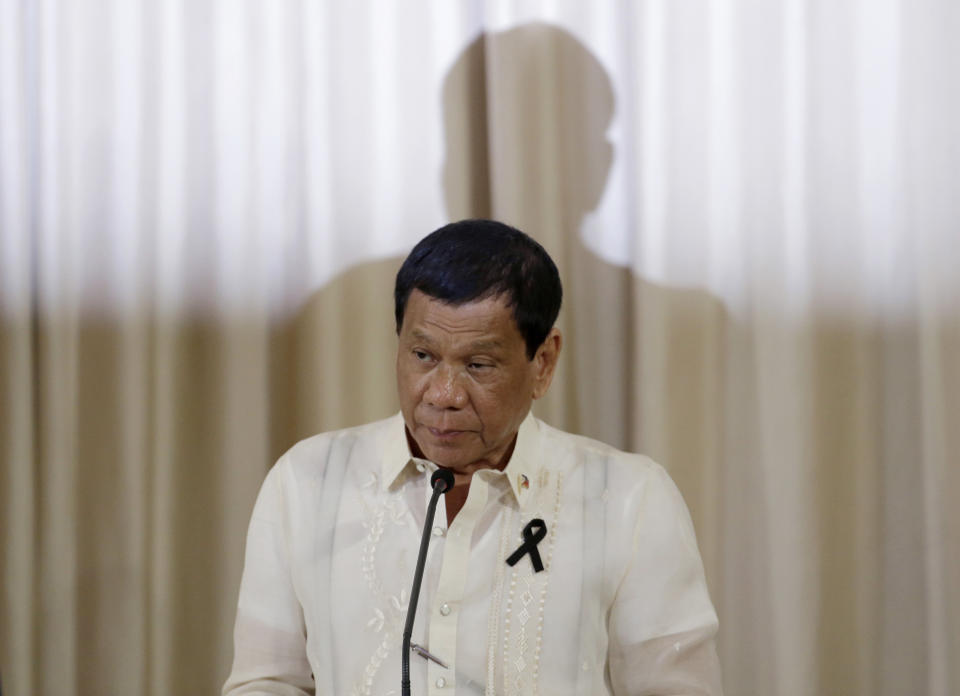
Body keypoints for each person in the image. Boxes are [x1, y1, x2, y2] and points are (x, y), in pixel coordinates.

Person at [223, 219, 723, 695]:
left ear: (543, 363)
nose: (443, 394)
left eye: (478, 365)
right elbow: (268, 681)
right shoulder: (308, 482)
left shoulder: (629, 499)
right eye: (423, 356)